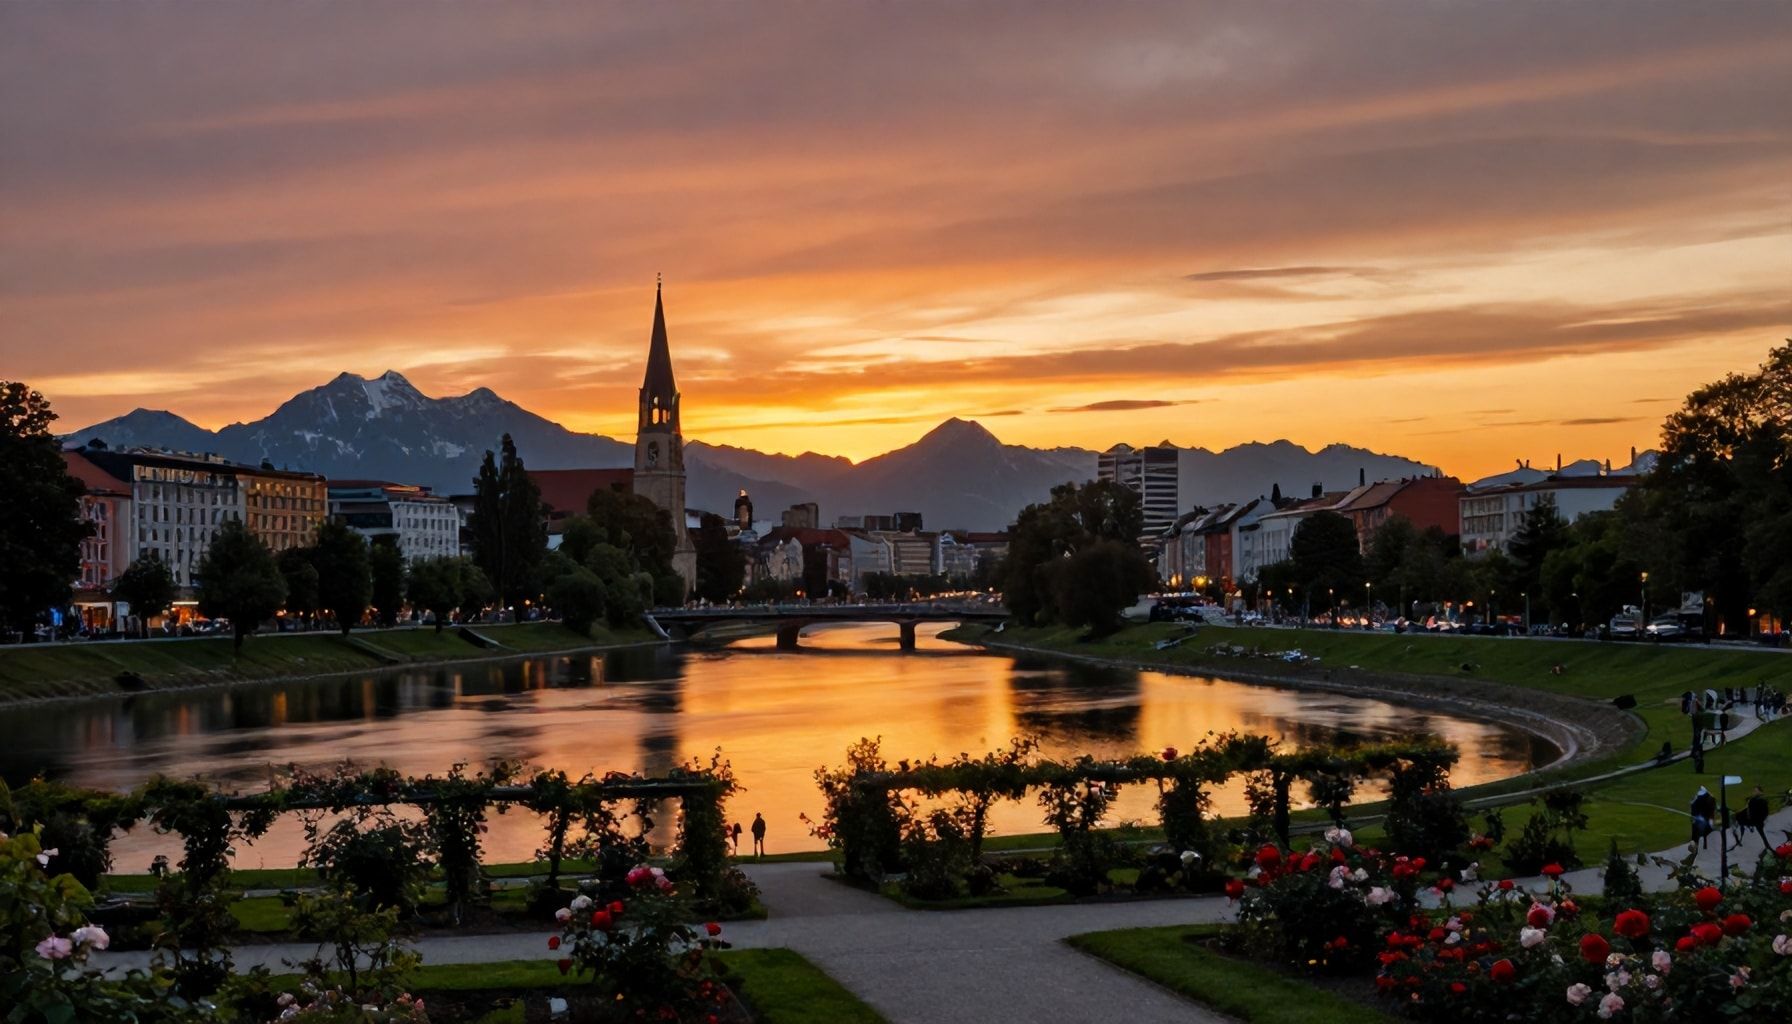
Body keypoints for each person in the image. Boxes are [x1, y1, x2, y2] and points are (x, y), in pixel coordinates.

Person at [1737, 785, 1772, 851]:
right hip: (1752, 818)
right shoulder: (1753, 799)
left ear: (1760, 791)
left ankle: (1767, 846)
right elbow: (1747, 808)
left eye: (1756, 790)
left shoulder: (1761, 800)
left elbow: (1764, 812)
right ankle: (1741, 838)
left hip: (1756, 820)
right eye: (1754, 790)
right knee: (1740, 818)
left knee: (1762, 834)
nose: (1754, 792)